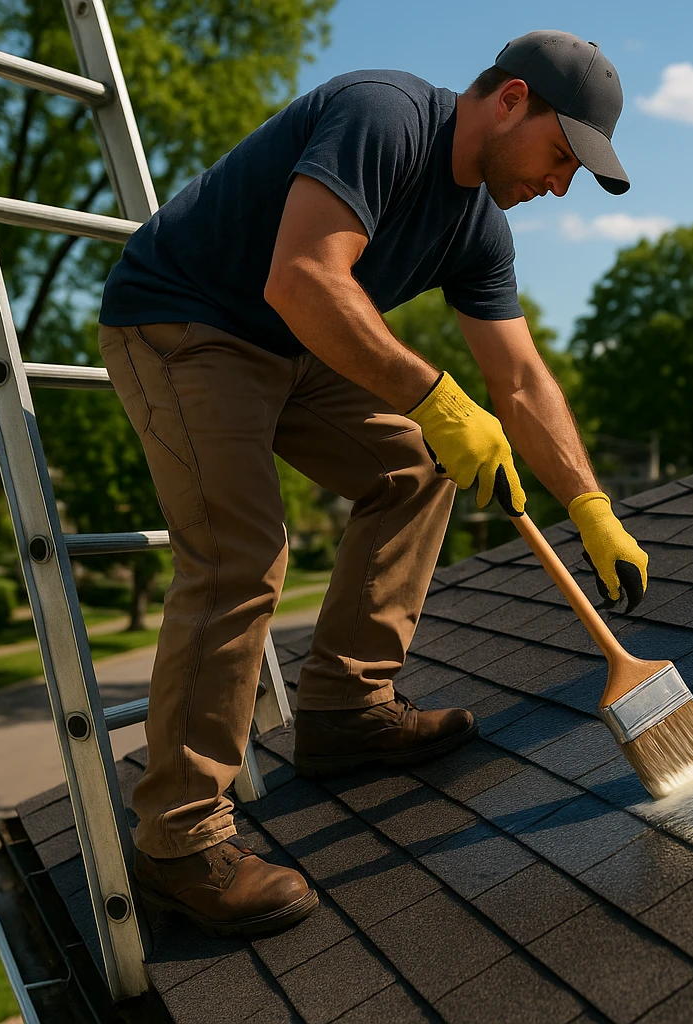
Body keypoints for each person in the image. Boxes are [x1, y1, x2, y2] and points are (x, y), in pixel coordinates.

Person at [96, 29, 651, 938]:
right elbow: (305, 276)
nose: (561, 184)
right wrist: (434, 393)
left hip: (285, 344)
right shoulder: (385, 115)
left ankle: (347, 710)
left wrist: (590, 503)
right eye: (561, 154)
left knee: (418, 464)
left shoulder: (480, 229)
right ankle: (178, 842)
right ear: (509, 99)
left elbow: (519, 382)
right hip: (183, 323)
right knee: (242, 553)